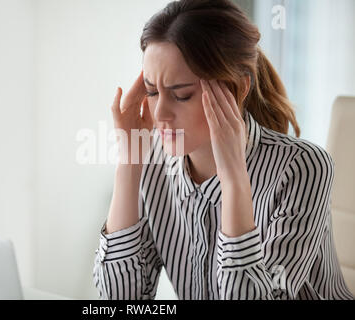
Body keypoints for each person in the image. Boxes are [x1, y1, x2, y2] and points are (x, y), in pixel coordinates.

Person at [93, 0, 354, 300]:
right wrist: (129, 161)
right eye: (152, 92)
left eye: (181, 95)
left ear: (238, 88)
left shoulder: (304, 167)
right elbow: (119, 300)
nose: (160, 113)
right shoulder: (151, 161)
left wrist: (233, 179)